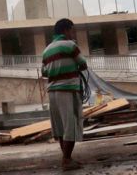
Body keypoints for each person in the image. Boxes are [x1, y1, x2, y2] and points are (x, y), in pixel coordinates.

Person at [41, 18, 88, 171]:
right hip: (68, 90)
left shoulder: (46, 50)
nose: (73, 34)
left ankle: (67, 158)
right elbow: (83, 64)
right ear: (66, 30)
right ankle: (66, 160)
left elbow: (44, 72)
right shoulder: (70, 46)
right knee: (71, 125)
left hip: (52, 92)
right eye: (72, 30)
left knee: (60, 127)